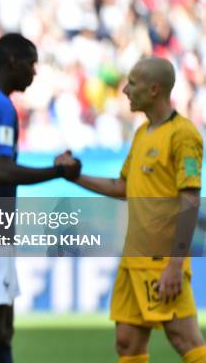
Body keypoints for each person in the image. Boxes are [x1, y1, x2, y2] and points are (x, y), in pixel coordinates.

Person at [59, 57, 206, 363]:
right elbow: (121, 186)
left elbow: (190, 200)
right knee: (127, 343)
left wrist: (175, 265)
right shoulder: (142, 133)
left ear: (154, 90)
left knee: (185, 339)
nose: (125, 90)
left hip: (161, 258)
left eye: (133, 84)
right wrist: (74, 177)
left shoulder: (183, 135)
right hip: (133, 257)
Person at [0, 33, 81, 363]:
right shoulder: (0, 105)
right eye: (30, 64)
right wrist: (58, 172)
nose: (34, 73)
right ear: (12, 61)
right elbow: (2, 171)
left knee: (3, 329)